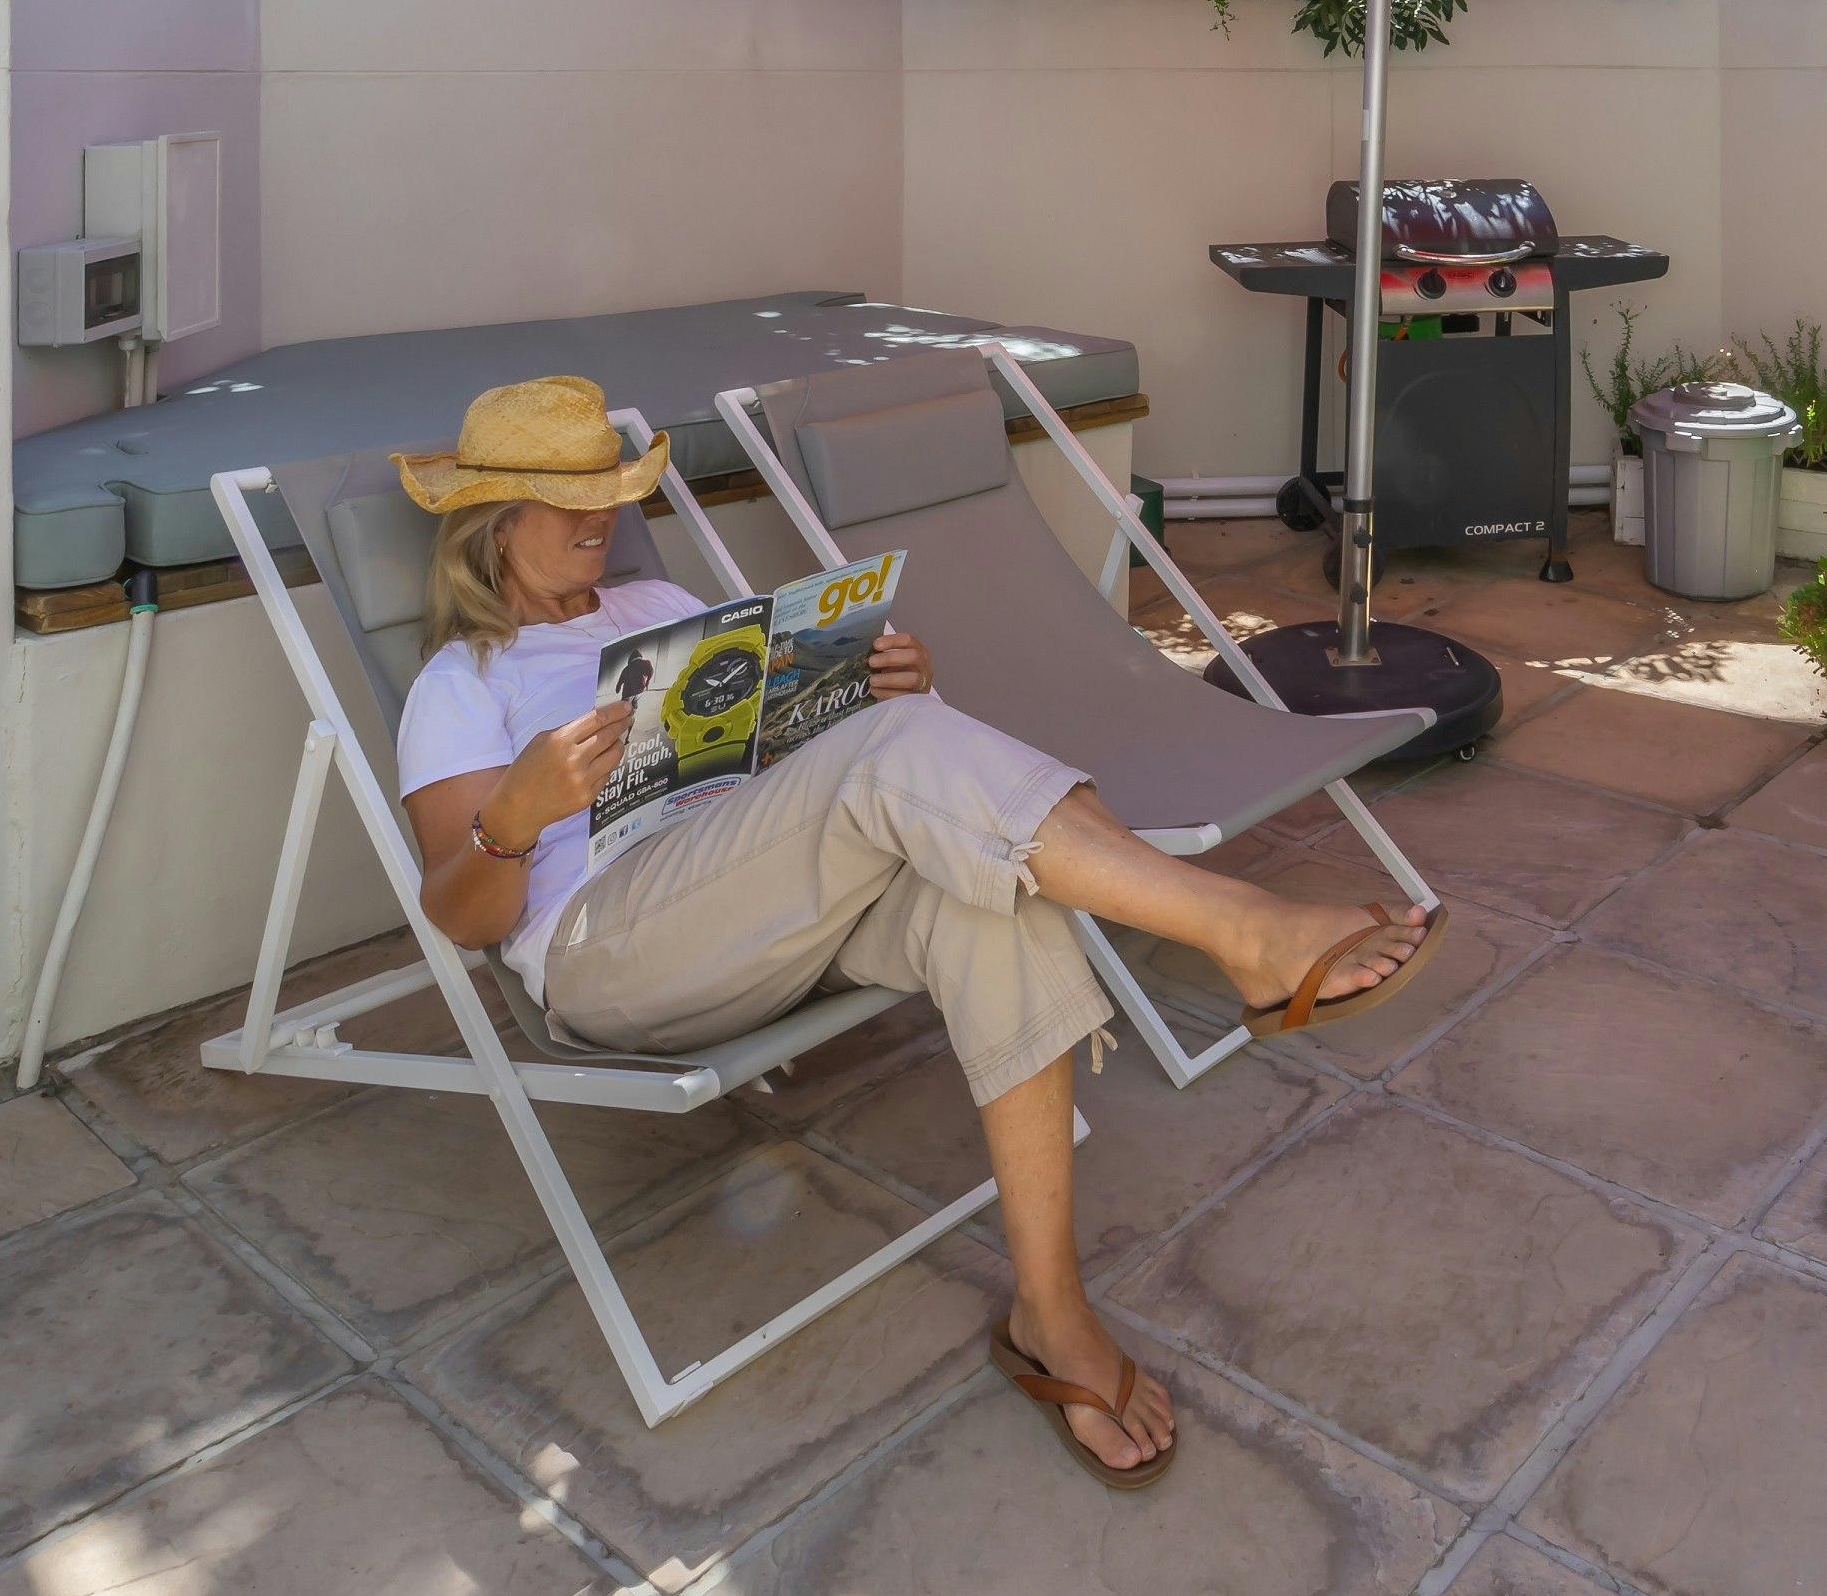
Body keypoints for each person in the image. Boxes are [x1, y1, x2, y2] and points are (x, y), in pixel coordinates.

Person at [391, 377, 1437, 1486]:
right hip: (610, 950)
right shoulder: (461, 683)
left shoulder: (655, 605)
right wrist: (516, 815)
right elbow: (462, 915)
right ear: (491, 520)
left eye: (608, 490)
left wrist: (888, 688)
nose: (600, 515)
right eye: (567, 499)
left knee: (989, 890)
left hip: (762, 905)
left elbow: (772, 760)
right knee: (899, 756)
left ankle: (1050, 1311)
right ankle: (1246, 930)